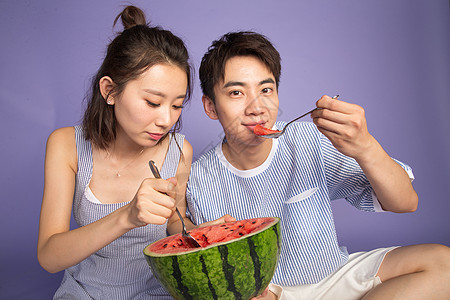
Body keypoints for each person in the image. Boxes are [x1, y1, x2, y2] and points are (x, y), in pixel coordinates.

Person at [186, 31, 450, 299]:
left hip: (335, 276)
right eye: (236, 92)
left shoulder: (310, 139)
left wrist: (365, 146)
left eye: (266, 89)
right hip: (269, 294)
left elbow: (405, 202)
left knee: (443, 262)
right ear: (211, 107)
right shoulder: (196, 180)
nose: (257, 108)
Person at [38, 6, 199, 299]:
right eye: (152, 102)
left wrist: (201, 234)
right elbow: (49, 256)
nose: (166, 120)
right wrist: (127, 215)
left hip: (158, 292)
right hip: (84, 292)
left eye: (176, 105)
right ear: (110, 91)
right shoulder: (66, 146)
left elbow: (175, 220)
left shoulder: (180, 150)